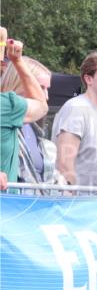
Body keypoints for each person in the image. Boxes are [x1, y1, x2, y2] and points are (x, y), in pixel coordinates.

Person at [52, 51, 97, 187]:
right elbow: (65, 165)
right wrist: (71, 198)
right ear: (88, 79)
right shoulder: (75, 109)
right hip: (78, 202)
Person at [1, 35, 48, 184]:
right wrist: (17, 61)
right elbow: (41, 106)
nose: (46, 95)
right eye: (41, 87)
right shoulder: (7, 105)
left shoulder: (8, 105)